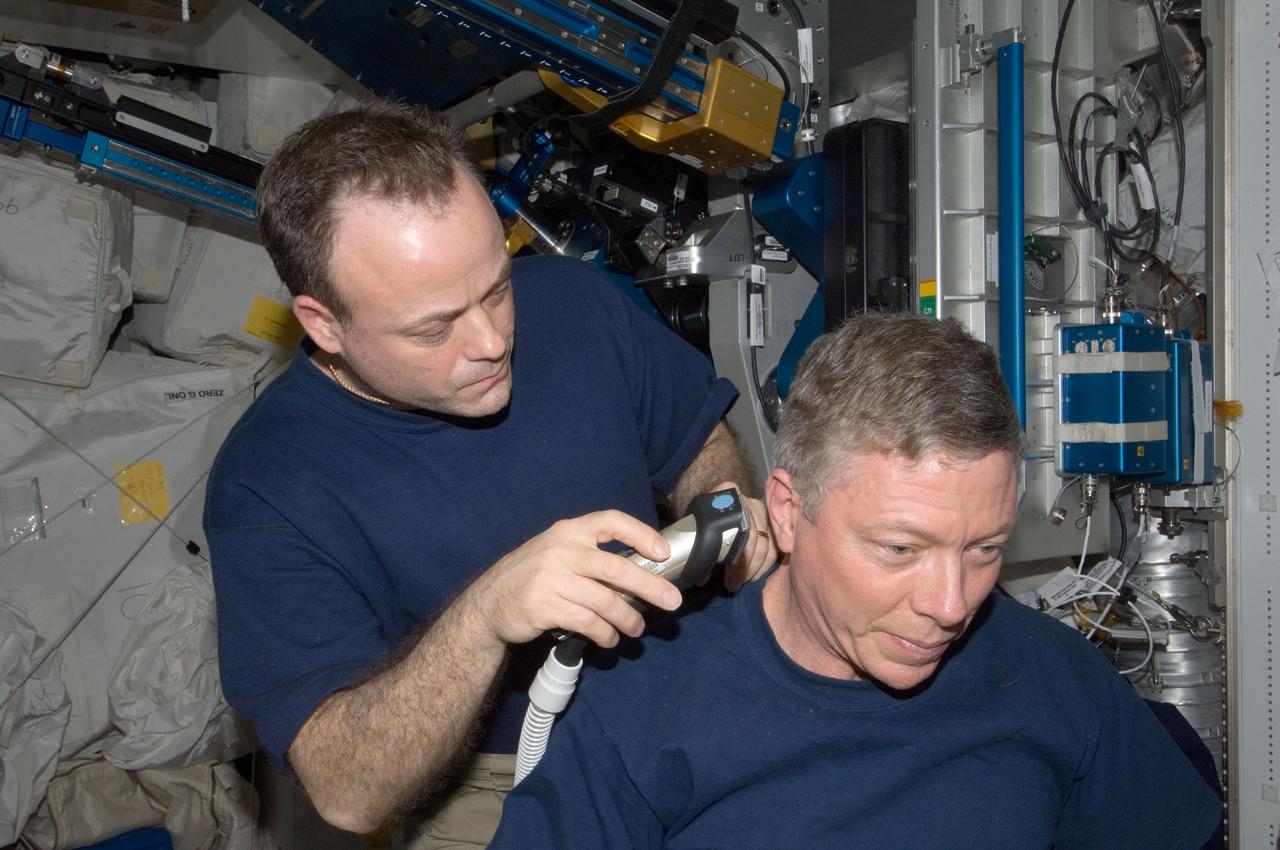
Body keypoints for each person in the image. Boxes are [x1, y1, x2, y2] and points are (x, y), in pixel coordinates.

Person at [203, 99, 776, 845]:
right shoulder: (266, 483)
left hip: (687, 697)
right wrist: (487, 616)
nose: (490, 341)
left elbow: (698, 442)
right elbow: (347, 788)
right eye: (434, 326)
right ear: (323, 324)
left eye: (497, 288)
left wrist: (726, 508)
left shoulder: (575, 302)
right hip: (487, 782)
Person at [490, 312, 1223, 849]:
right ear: (788, 511)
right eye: (900, 549)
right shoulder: (641, 706)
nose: (949, 606)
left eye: (983, 549)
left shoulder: (1056, 679)